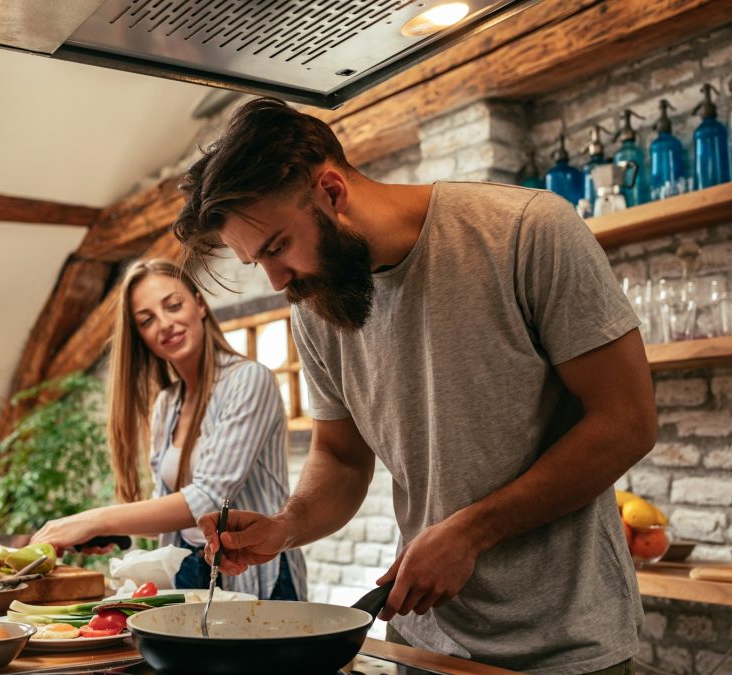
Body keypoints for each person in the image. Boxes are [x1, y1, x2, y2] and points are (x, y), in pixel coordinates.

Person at [172, 98, 657, 674]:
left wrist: (471, 533)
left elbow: (626, 422)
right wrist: (288, 524)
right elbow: (342, 457)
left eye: (277, 247)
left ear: (331, 191)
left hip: (566, 649)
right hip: (421, 647)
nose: (278, 282)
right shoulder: (318, 311)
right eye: (260, 263)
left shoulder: (527, 231)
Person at [30, 259, 305, 600]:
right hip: (191, 573)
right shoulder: (167, 403)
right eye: (147, 320)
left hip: (258, 578)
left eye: (173, 306)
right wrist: (119, 535)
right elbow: (173, 512)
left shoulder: (249, 380)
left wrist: (95, 520)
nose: (165, 324)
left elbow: (208, 497)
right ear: (141, 337)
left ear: (200, 304)